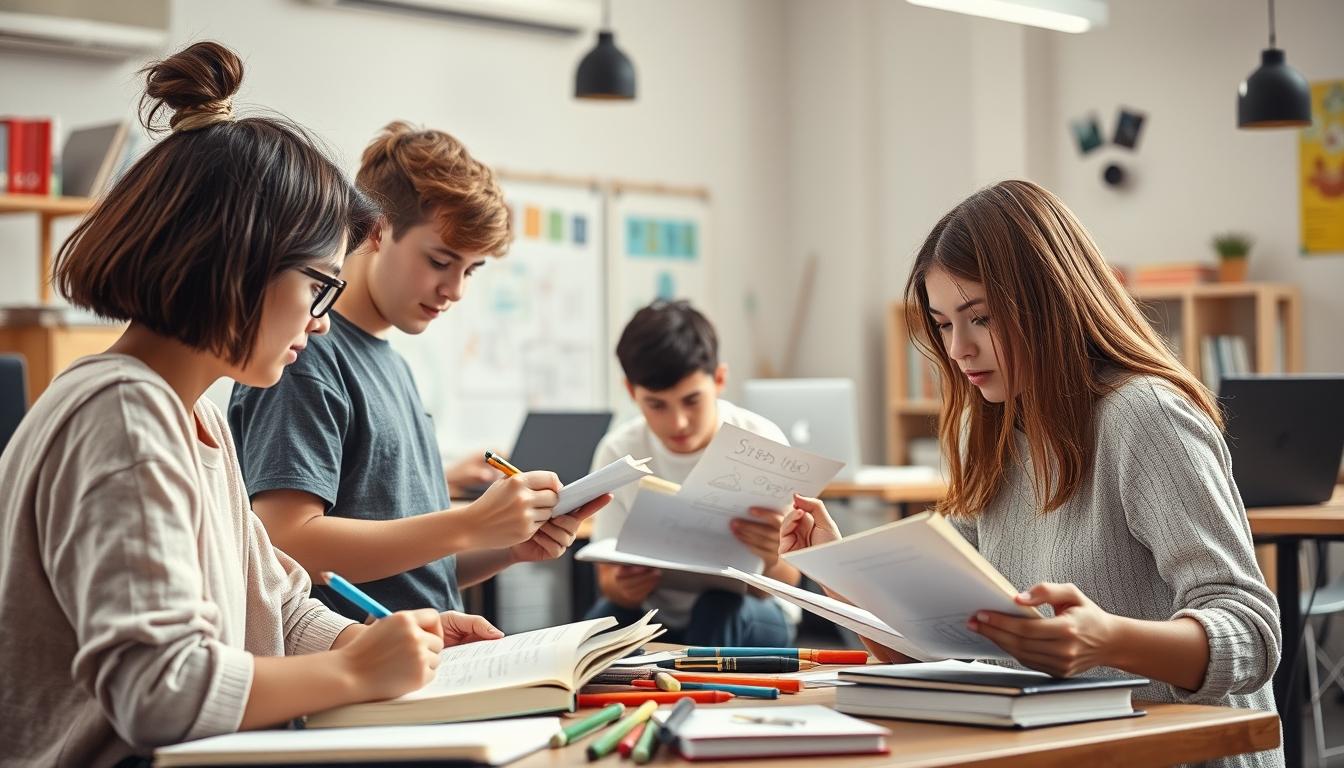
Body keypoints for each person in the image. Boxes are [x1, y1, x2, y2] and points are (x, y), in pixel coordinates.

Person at [0, 42, 504, 768]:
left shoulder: (192, 413)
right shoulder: (124, 417)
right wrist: (356, 672)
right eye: (317, 286)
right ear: (239, 263)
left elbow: (277, 603)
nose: (323, 318)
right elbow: (159, 690)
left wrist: (362, 638)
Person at [779, 180, 1282, 768]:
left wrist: (1107, 639)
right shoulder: (989, 432)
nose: (960, 348)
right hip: (1057, 748)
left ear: (1051, 300)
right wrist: (841, 577)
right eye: (942, 325)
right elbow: (933, 654)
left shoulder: (1145, 416)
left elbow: (1250, 636)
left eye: (981, 318)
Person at [228, 121, 607, 621]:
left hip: (427, 661)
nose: (455, 290)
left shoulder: (393, 364)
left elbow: (412, 572)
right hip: (360, 671)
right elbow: (286, 541)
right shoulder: (305, 356)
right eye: (440, 261)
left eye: (470, 271)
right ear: (377, 229)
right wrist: (469, 524)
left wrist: (507, 546)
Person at [585, 300, 800, 646]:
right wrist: (625, 588)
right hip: (655, 612)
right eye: (656, 405)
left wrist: (772, 556)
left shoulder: (761, 441)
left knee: (717, 608)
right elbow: (608, 584)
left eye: (692, 400)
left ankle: (694, 699)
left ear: (719, 379)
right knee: (591, 631)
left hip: (756, 611)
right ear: (631, 392)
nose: (678, 423)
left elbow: (789, 580)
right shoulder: (617, 451)